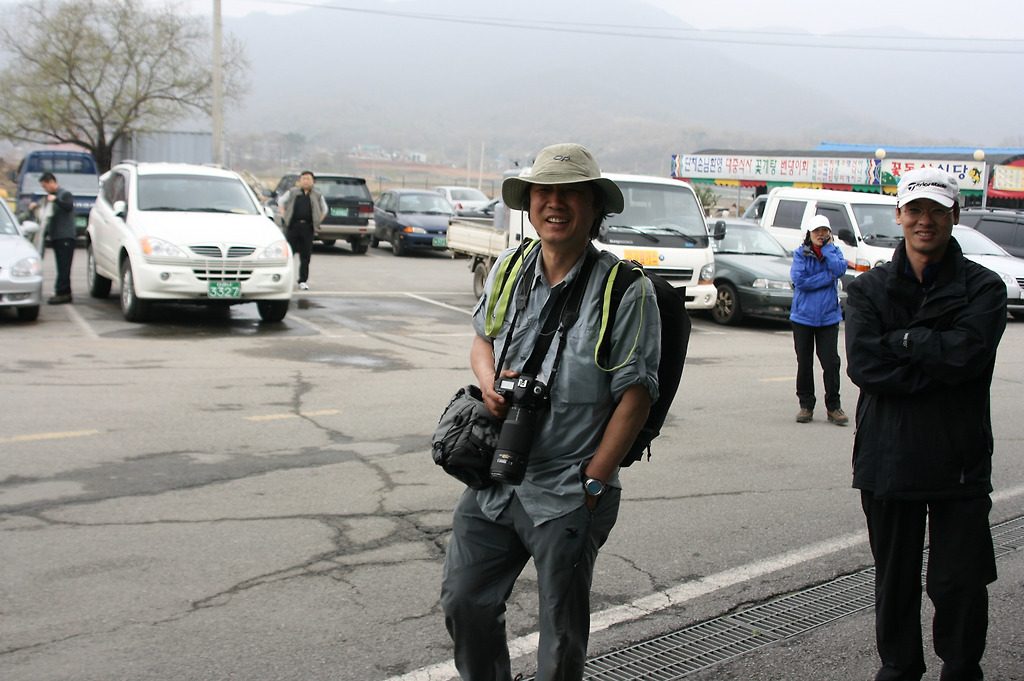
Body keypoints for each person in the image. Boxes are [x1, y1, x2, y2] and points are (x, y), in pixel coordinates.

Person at [440, 143, 661, 681]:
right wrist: (489, 380)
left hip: (568, 487)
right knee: (464, 601)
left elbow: (636, 396)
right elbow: (480, 339)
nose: (554, 203)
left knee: (560, 637)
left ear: (594, 208)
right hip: (498, 474)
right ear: (530, 202)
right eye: (544, 192)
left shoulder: (624, 289)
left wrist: (593, 482)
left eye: (570, 194)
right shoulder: (512, 268)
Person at [845, 167, 1006, 681]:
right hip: (887, 458)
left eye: (937, 210)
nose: (925, 221)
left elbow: (969, 359)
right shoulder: (870, 289)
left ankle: (961, 669)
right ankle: (898, 668)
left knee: (959, 581)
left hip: (959, 459)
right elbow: (866, 367)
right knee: (894, 580)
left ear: (954, 216)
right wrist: (938, 360)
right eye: (915, 210)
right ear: (899, 215)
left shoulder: (984, 288)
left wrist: (907, 343)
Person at [789, 214, 849, 424]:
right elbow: (800, 281)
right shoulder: (800, 254)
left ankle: (834, 407)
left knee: (831, 363)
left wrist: (828, 250)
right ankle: (806, 406)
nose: (821, 235)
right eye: (817, 231)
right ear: (809, 234)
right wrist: (828, 277)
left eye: (824, 231)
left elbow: (840, 269)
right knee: (804, 362)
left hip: (828, 317)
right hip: (803, 317)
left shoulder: (834, 251)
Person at [30, 172, 75, 304]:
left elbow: (68, 206)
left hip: (65, 236)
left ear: (51, 182)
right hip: (56, 237)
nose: (45, 189)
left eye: (45, 186)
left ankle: (62, 293)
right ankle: (64, 291)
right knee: (61, 266)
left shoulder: (64, 194)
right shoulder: (51, 197)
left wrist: (55, 199)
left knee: (64, 266)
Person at [277, 170, 326, 290]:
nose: (306, 181)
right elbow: (281, 202)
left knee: (305, 255)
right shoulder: (293, 192)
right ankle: (284, 279)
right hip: (293, 226)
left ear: (313, 181)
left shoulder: (317, 195)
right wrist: (284, 214)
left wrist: (317, 221)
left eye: (308, 179)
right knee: (288, 254)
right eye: (303, 179)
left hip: (308, 228)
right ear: (300, 180)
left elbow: (324, 209)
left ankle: (302, 281)